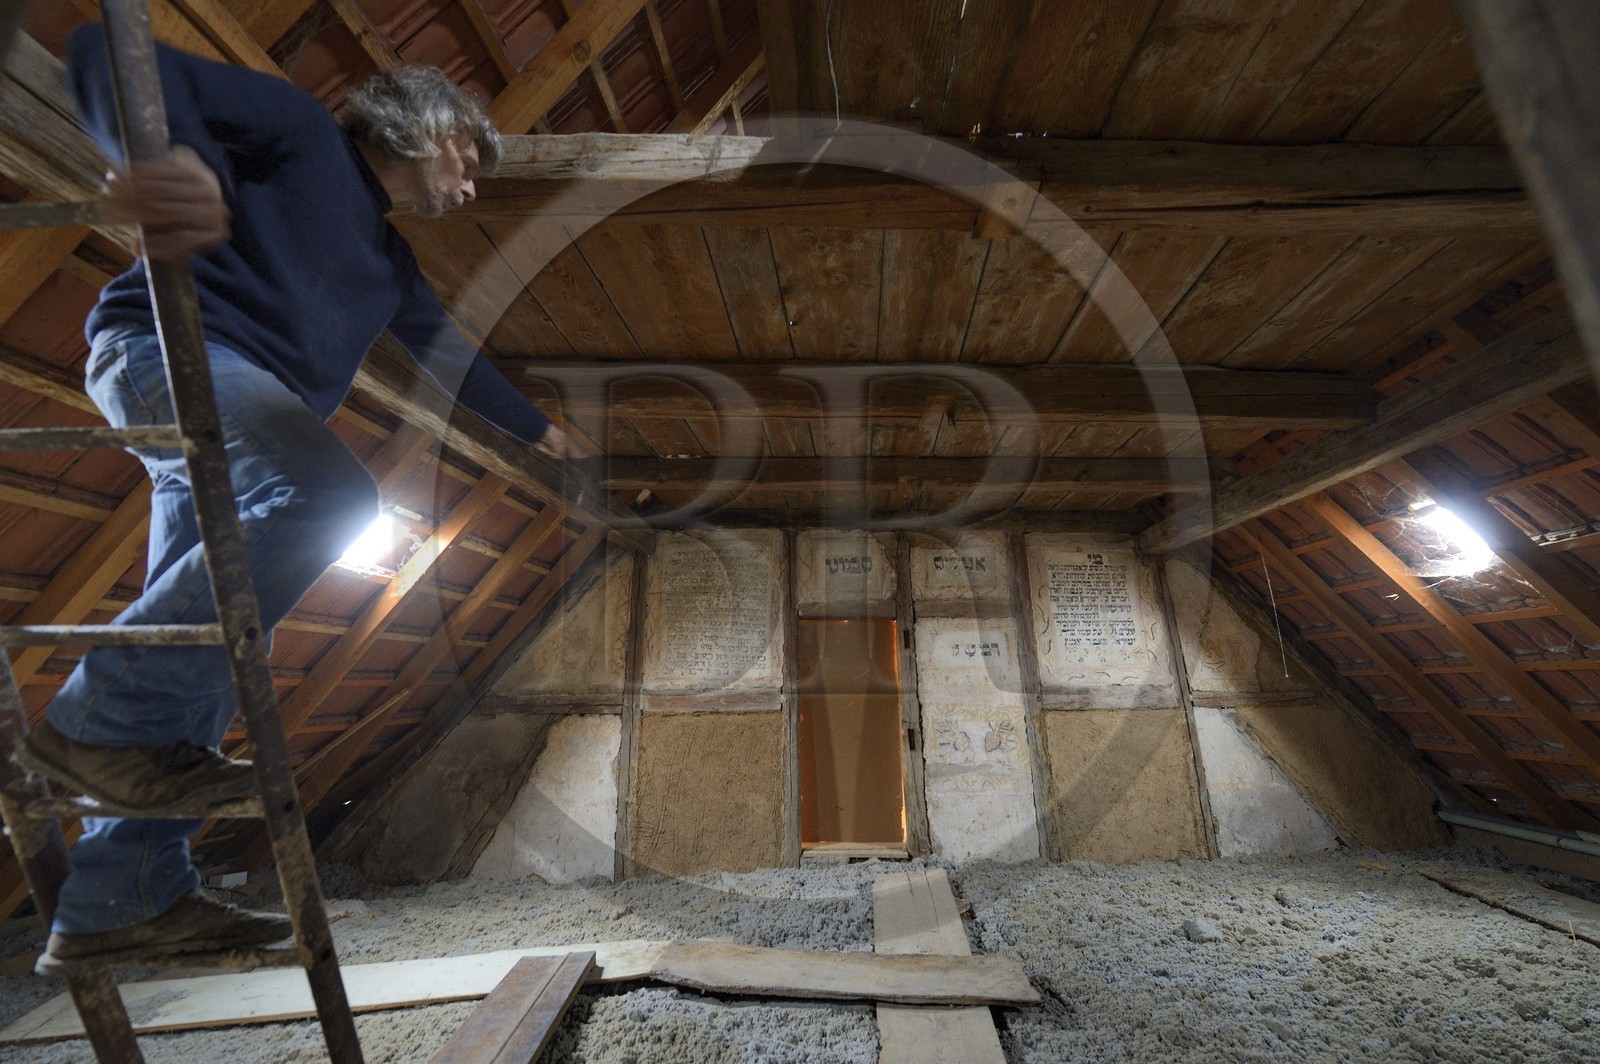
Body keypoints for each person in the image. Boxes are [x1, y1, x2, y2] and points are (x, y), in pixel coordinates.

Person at [15, 23, 577, 974]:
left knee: (232, 637)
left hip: (228, 409)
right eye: (467, 157)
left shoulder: (389, 265)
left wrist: (546, 436)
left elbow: (451, 360)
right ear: (420, 124)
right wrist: (174, 164)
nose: (471, 184)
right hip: (170, 352)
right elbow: (106, 53)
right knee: (324, 496)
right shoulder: (304, 132)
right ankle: (92, 726)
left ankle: (120, 897)